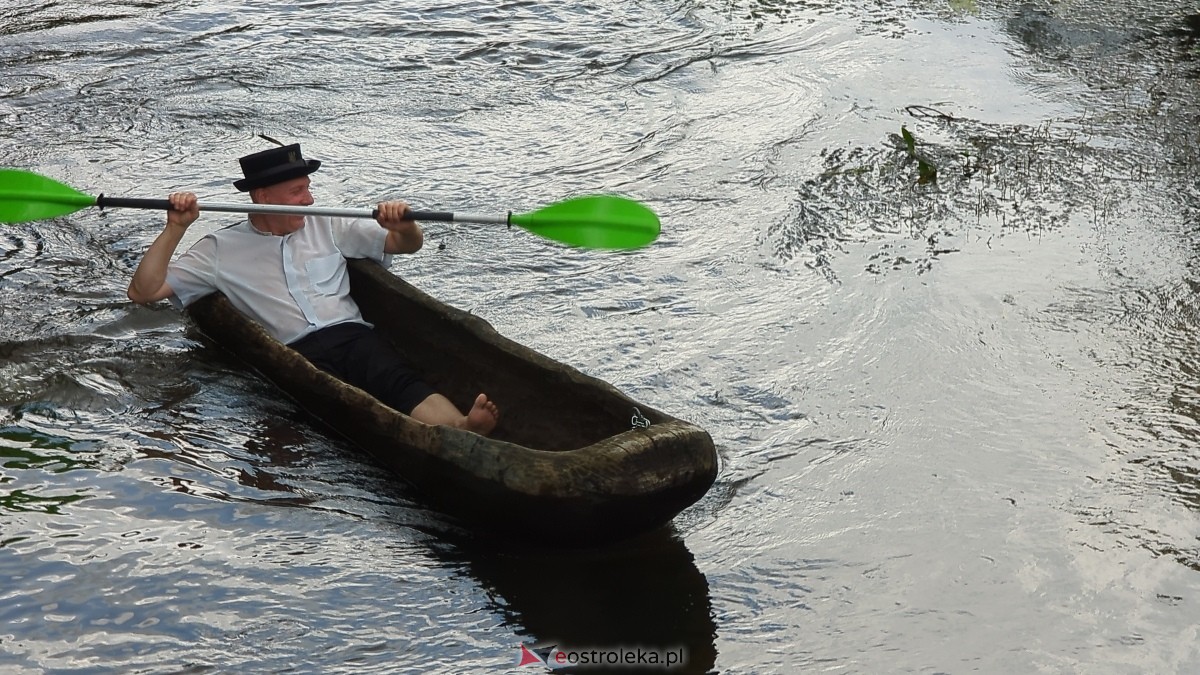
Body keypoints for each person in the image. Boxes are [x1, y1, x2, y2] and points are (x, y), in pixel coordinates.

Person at [127, 142, 499, 435]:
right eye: (297, 191)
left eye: (308, 188)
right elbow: (143, 292)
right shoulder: (220, 250)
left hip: (354, 337)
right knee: (335, 397)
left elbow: (406, 245)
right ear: (263, 197)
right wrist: (175, 228)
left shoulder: (330, 224)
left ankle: (461, 427)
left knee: (396, 378)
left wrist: (404, 225)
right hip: (297, 353)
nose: (310, 200)